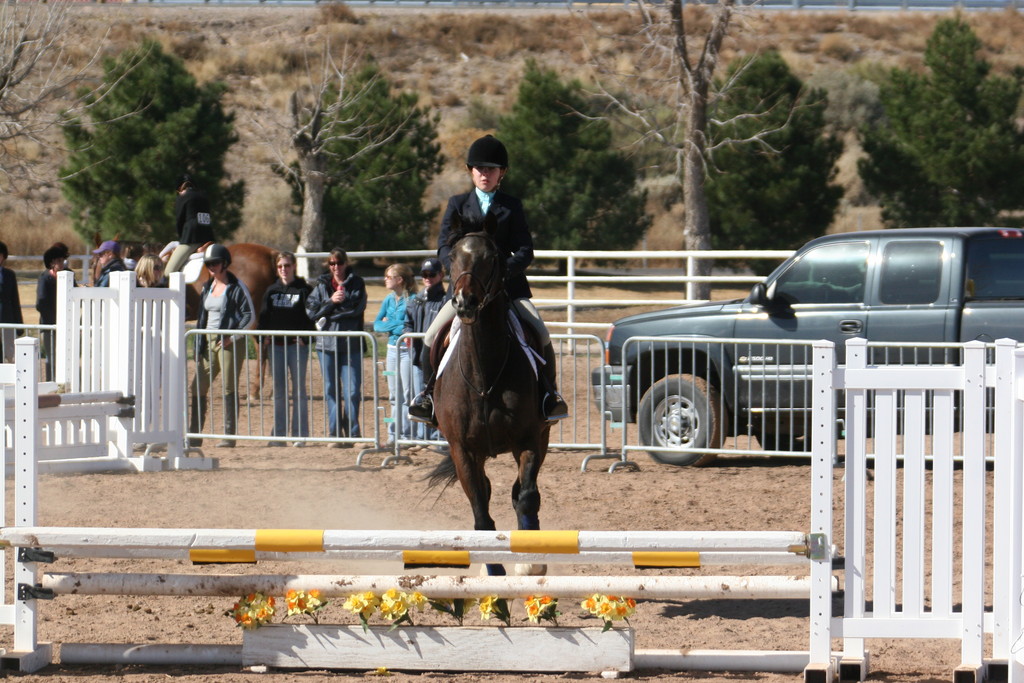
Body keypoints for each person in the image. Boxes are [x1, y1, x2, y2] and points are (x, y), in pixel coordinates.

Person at [408, 134, 568, 425]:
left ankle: (549, 396)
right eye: (480, 168)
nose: (485, 174)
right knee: (431, 337)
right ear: (471, 171)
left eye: (491, 169)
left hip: (507, 290)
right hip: (464, 291)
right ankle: (428, 396)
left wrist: (502, 271)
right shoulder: (457, 204)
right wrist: (459, 273)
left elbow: (525, 250)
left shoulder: (512, 206)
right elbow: (444, 246)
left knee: (540, 333)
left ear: (501, 173)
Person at [189, 244, 255, 449]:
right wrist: (199, 343)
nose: (211, 267)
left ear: (225, 264)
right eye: (208, 264)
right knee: (197, 386)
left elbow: (249, 316)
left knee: (228, 386)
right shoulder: (207, 287)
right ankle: (194, 434)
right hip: (208, 341)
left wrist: (232, 337)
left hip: (228, 343)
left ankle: (229, 434)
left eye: (215, 263)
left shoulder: (237, 287)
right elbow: (202, 317)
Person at [306, 248, 366, 446]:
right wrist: (330, 302)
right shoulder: (322, 285)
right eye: (332, 263)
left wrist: (328, 314)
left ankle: (352, 433)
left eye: (339, 263)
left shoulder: (357, 283)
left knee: (352, 391)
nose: (336, 267)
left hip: (351, 345)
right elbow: (311, 312)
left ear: (346, 263)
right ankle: (334, 434)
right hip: (326, 345)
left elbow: (356, 309)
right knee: (331, 389)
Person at [258, 251, 314, 447]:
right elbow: (264, 317)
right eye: (280, 266)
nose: (284, 269)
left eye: (287, 265)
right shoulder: (271, 291)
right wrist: (262, 338)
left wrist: (307, 339)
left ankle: (300, 434)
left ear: (294, 266)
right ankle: (279, 434)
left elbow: (312, 316)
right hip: (276, 346)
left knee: (299, 390)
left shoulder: (304, 289)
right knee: (279, 391)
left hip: (296, 346)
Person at [404, 257, 449, 442]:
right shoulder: (417, 300)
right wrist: (407, 333)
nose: (428, 278)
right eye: (424, 274)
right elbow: (408, 322)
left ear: (441, 275)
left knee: (439, 397)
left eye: (432, 274)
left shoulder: (445, 300)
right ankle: (423, 438)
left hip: (438, 359)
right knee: (422, 397)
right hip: (419, 357)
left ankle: (440, 437)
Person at [374, 263, 417, 446]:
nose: (385, 280)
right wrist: (397, 325)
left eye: (388, 276)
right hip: (391, 351)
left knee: (407, 394)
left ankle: (406, 435)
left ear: (400, 280)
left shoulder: (413, 299)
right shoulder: (388, 300)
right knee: (393, 395)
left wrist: (391, 323)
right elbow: (376, 325)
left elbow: (410, 326)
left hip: (407, 351)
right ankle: (392, 433)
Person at [36, 245, 73, 381]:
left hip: (67, 323)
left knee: (67, 354)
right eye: (58, 260)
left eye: (62, 260)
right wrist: (56, 320)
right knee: (51, 356)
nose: (61, 263)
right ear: (51, 262)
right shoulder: (45, 278)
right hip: (50, 325)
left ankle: (67, 381)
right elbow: (40, 303)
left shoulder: (70, 274)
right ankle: (50, 382)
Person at [166, 174, 214, 275]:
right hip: (209, 239)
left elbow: (179, 221)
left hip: (191, 239)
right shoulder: (204, 196)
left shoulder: (182, 197)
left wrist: (182, 239)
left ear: (179, 189)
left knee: (168, 272)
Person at [0, 241, 23, 363]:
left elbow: (15, 300)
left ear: (3, 257)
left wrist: (19, 324)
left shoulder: (9, 275)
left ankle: (14, 382)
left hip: (7, 319)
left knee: (11, 355)